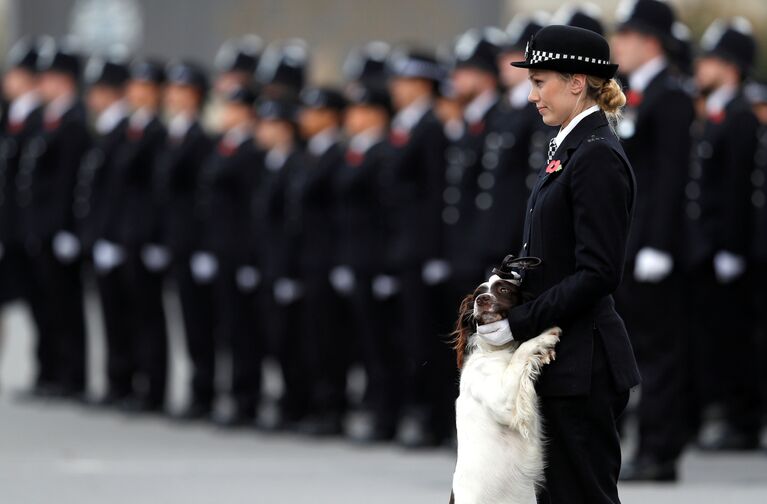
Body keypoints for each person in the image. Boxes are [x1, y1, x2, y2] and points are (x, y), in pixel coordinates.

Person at [488, 25, 640, 503]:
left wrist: (518, 322)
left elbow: (598, 272)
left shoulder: (595, 155)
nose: (531, 95)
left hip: (584, 365)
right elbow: (551, 252)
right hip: (562, 360)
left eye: (540, 81)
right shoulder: (569, 146)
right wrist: (506, 283)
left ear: (577, 82)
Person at [610, 0, 696, 481]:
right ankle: (629, 446)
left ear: (649, 41)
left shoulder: (670, 95)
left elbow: (671, 177)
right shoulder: (634, 93)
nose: (618, 45)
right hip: (629, 241)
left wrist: (660, 244)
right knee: (628, 348)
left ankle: (660, 451)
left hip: (654, 246)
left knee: (660, 352)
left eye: (625, 36)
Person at [683, 17, 761, 451]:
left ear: (730, 66)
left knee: (735, 336)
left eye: (710, 59)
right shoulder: (717, 114)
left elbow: (737, 189)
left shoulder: (739, 118)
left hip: (730, 247)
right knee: (714, 334)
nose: (702, 67)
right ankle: (727, 413)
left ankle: (743, 419)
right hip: (709, 245)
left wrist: (732, 246)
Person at [18, 38, 90, 400]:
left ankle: (72, 375)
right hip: (39, 227)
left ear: (64, 81)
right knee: (44, 304)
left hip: (58, 228)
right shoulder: (46, 119)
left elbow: (67, 182)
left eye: (48, 77)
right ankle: (49, 371)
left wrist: (66, 228)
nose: (41, 84)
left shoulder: (75, 121)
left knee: (66, 305)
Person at [383, 47, 448, 447]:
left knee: (426, 337)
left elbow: (436, 192)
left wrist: (436, 251)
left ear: (422, 85)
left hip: (423, 247)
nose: (397, 89)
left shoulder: (431, 127)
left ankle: (434, 419)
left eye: (405, 81)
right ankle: (420, 412)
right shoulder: (405, 125)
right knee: (409, 334)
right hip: (403, 244)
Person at [193, 85, 262, 426]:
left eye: (234, 107)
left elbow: (251, 208)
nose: (227, 112)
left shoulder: (252, 149)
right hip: (219, 248)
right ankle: (226, 394)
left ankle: (245, 398)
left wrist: (249, 257)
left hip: (239, 250)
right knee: (223, 326)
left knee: (242, 329)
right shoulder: (225, 144)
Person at [156, 60, 215, 420]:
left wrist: (203, 246)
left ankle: (204, 391)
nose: (175, 97)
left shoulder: (200, 140)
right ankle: (196, 388)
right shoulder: (170, 135)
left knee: (201, 322)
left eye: (183, 91)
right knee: (186, 320)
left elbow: (201, 199)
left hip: (194, 242)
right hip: (173, 240)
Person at [295, 86, 349, 436]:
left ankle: (332, 407)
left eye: (313, 112)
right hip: (307, 255)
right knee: (310, 334)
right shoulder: (308, 153)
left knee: (331, 337)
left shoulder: (337, 154)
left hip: (327, 256)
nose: (305, 119)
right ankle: (314, 402)